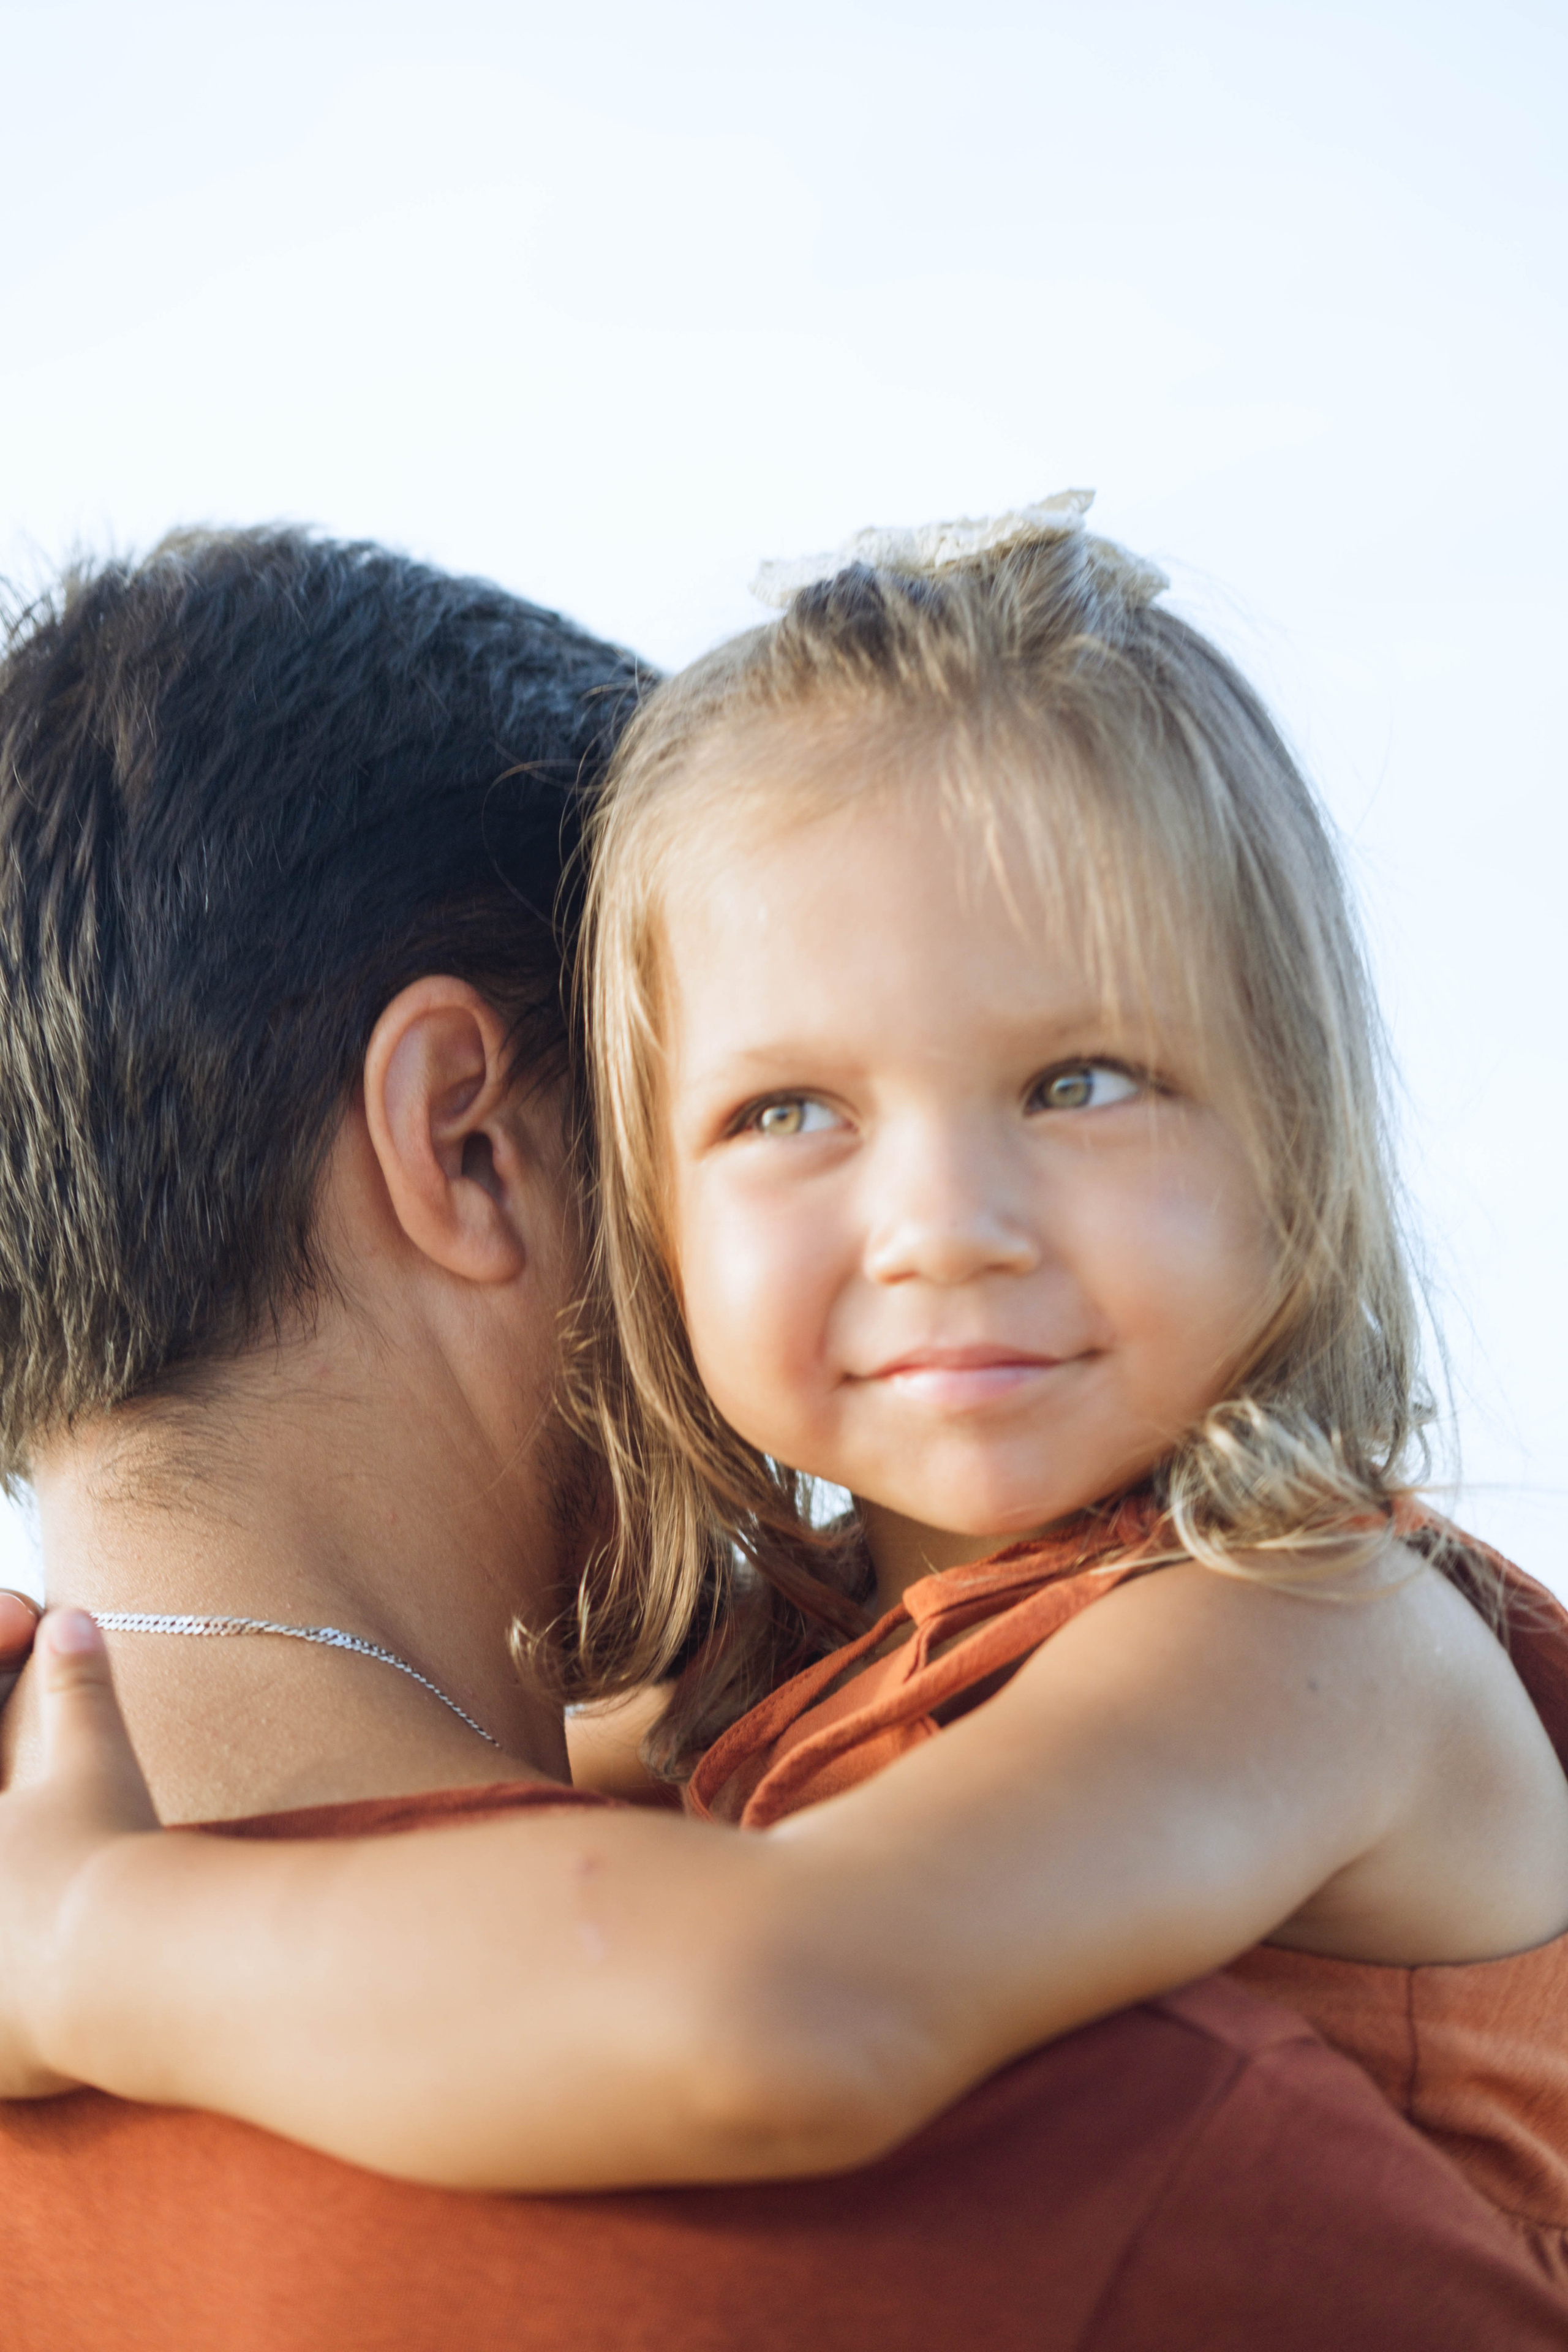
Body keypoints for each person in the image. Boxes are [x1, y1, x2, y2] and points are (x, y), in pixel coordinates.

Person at [0, 519, 1565, 2350]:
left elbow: (780, 1990)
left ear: (1296, 1140)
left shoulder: (1303, 1631)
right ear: (480, 1144)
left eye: (1082, 1083)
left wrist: (98, 1942)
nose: (945, 1224)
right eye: (784, 1110)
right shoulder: (776, 1676)